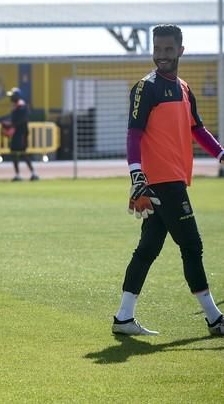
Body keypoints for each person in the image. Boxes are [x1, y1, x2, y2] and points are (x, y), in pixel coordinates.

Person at [112, 24, 224, 337]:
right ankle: (215, 318)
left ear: (180, 51)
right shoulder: (145, 87)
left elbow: (197, 129)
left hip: (174, 179)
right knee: (192, 244)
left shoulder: (185, 88)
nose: (161, 55)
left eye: (168, 49)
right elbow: (133, 134)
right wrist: (137, 177)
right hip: (161, 182)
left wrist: (220, 155)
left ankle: (123, 317)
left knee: (148, 248)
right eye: (157, 49)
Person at [3, 87, 38, 181]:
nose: (10, 98)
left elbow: (21, 120)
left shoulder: (22, 106)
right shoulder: (15, 106)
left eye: (12, 96)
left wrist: (9, 125)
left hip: (21, 134)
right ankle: (17, 174)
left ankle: (33, 173)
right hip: (16, 133)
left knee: (23, 153)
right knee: (14, 153)